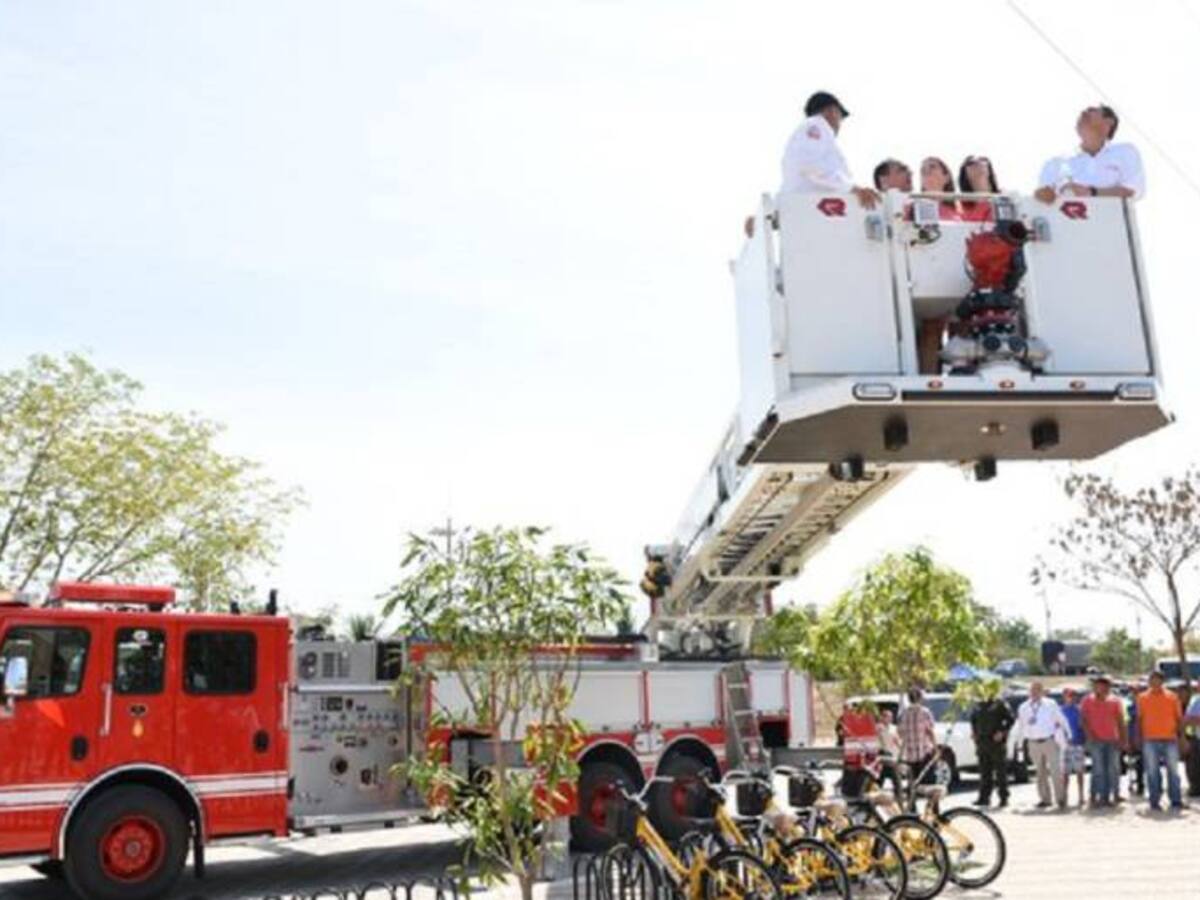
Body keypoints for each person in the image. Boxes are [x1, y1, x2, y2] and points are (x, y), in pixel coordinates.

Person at [780, 91, 879, 209]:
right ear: (832, 111)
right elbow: (809, 163)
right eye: (840, 117)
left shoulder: (813, 132)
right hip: (809, 210)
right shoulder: (817, 125)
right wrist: (852, 188)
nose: (839, 124)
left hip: (809, 210)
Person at [1034, 104, 1145, 202]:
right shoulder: (1056, 163)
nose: (1083, 112)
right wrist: (1047, 194)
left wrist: (1091, 192)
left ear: (1109, 122)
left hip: (1113, 224)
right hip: (1068, 224)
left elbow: (1133, 191)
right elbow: (1041, 199)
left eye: (1091, 110)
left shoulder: (1125, 152)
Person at [1014, 681, 1069, 809]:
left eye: (1038, 690)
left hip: (1049, 741)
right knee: (1040, 773)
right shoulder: (1023, 707)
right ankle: (1045, 799)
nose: (1034, 692)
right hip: (1033, 743)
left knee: (1056, 771)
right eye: (1032, 690)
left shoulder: (1050, 704)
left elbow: (1061, 719)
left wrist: (1068, 733)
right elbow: (1021, 726)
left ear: (1042, 691)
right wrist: (1020, 744)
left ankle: (1060, 799)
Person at [1137, 671, 1184, 810]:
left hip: (1170, 739)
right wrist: (1138, 738)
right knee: (1152, 771)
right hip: (1149, 739)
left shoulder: (1172, 697)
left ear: (1162, 681)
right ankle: (1154, 801)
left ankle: (1175, 800)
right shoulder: (1142, 698)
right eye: (1152, 680)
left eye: (1157, 680)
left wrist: (1181, 738)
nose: (1154, 682)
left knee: (1173, 771)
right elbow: (1139, 719)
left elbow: (1179, 719)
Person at [1080, 675, 1127, 807]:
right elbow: (1083, 720)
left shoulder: (1115, 701)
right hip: (1096, 740)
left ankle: (1112, 796)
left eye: (1105, 686)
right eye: (1099, 685)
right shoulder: (1087, 701)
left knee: (1113, 769)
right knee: (1098, 770)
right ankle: (1095, 797)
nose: (1102, 688)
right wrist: (1089, 736)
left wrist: (1124, 739)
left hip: (1112, 740)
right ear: (1095, 687)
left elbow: (1120, 721)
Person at [970, 681, 1015, 808]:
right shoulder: (978, 704)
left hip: (996, 742)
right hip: (982, 742)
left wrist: (1002, 732)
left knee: (1000, 772)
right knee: (985, 771)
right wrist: (973, 732)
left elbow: (1011, 719)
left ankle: (1003, 798)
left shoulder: (999, 703)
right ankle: (984, 797)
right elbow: (973, 720)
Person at [897, 687, 939, 796]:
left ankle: (912, 810)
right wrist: (936, 748)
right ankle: (933, 810)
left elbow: (900, 733)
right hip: (924, 753)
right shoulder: (925, 712)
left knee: (912, 784)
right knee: (930, 785)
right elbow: (930, 731)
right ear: (920, 698)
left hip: (910, 755)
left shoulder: (904, 714)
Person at [1058, 687, 1088, 807]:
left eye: (1073, 695)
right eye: (1068, 695)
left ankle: (1081, 796)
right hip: (1065, 745)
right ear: (1064, 697)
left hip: (1078, 743)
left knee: (1080, 771)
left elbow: (1084, 726)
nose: (1071, 698)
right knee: (1065, 773)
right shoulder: (1060, 711)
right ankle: (1064, 796)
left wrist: (1085, 739)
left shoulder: (1080, 710)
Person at [957, 155, 999, 222]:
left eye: (983, 160)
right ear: (965, 173)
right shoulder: (960, 208)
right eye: (970, 162)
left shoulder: (1007, 197)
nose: (978, 162)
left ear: (989, 170)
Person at [876, 707, 903, 796]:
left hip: (891, 755)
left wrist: (901, 751)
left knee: (893, 778)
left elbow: (897, 740)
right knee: (881, 779)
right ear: (882, 717)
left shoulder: (893, 728)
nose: (890, 719)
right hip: (881, 754)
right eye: (887, 716)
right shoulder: (878, 728)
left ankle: (898, 795)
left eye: (891, 717)